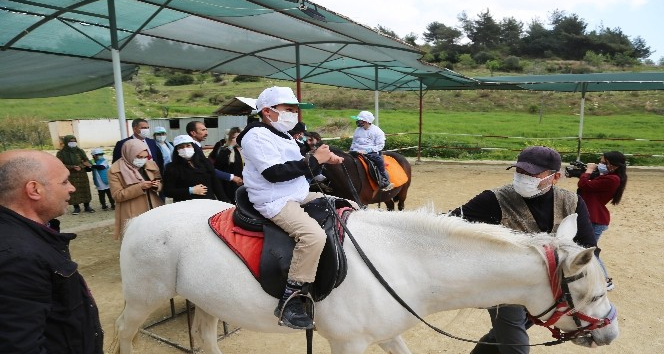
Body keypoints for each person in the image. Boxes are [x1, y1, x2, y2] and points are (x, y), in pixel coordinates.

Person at [448, 146, 597, 354]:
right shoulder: (494, 199)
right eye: (520, 171)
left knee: (502, 335)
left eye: (532, 173)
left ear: (555, 177)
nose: (523, 177)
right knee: (515, 343)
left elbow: (588, 248)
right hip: (504, 285)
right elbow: (448, 223)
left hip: (545, 287)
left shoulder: (571, 202)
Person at [237, 86, 344, 330]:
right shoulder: (255, 136)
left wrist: (324, 159)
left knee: (345, 205)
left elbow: (300, 164)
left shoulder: (282, 134)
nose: (294, 114)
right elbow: (275, 173)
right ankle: (291, 299)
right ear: (267, 111)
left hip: (296, 193)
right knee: (313, 236)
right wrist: (316, 160)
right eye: (289, 109)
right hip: (275, 199)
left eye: (295, 110)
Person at [0, 150, 103, 353]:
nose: (72, 188)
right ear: (34, 189)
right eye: (64, 182)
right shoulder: (18, 258)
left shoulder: (29, 235)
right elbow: (19, 345)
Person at [577, 151, 627, 291]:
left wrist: (588, 170)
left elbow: (584, 184)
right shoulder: (608, 177)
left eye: (604, 162)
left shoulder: (612, 179)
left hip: (595, 219)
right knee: (583, 250)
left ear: (614, 165)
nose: (601, 164)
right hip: (592, 217)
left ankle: (606, 280)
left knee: (589, 252)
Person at [109, 139, 163, 240]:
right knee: (136, 241)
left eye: (145, 157)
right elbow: (117, 195)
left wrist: (156, 186)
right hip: (132, 211)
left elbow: (160, 182)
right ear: (129, 154)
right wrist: (140, 187)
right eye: (138, 157)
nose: (142, 160)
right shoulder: (115, 170)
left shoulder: (151, 164)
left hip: (154, 207)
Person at [163, 135, 230, 203]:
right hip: (185, 206)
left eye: (188, 146)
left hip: (209, 203)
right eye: (181, 147)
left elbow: (216, 185)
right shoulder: (172, 167)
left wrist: (225, 202)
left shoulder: (205, 163)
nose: (185, 149)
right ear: (176, 150)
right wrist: (190, 190)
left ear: (193, 147)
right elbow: (168, 191)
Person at [186, 120, 243, 186]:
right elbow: (209, 167)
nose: (207, 133)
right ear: (193, 133)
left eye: (206, 130)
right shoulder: (190, 149)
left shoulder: (197, 147)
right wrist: (231, 177)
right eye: (203, 130)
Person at [349, 110, 394, 191]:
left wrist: (366, 151)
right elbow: (354, 141)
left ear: (366, 121)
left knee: (379, 160)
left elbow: (380, 145)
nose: (358, 121)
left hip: (370, 152)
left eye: (360, 120)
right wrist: (351, 150)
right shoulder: (357, 130)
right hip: (355, 151)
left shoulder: (377, 131)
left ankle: (385, 180)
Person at [56, 134, 95, 214]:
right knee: (73, 190)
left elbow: (87, 161)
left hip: (82, 174)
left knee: (85, 189)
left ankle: (87, 206)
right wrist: (72, 167)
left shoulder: (80, 151)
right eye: (71, 142)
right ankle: (76, 207)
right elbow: (59, 164)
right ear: (66, 142)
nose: (73, 143)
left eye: (74, 141)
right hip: (70, 175)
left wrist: (81, 166)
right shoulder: (61, 153)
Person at [214, 127, 244, 204]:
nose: (237, 139)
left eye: (239, 137)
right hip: (231, 185)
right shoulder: (225, 149)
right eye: (234, 137)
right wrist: (230, 146)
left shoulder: (247, 149)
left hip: (247, 184)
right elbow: (218, 164)